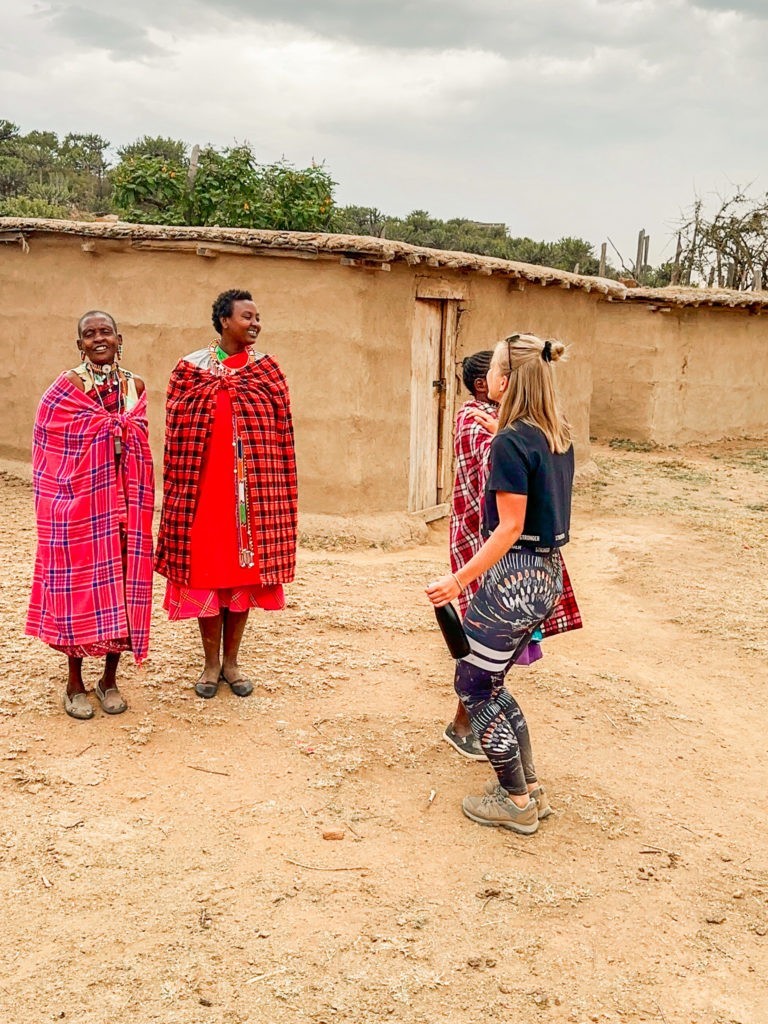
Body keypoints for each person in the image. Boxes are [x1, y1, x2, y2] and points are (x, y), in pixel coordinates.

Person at [426, 333, 574, 835]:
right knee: (492, 681)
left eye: (492, 368)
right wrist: (501, 433)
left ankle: (514, 801)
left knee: (472, 684)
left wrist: (458, 579)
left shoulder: (512, 441)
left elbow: (509, 526)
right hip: (546, 574)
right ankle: (529, 789)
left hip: (513, 579)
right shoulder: (554, 435)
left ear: (505, 382)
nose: (484, 374)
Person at [155, 289, 297, 699]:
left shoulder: (267, 371)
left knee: (242, 578)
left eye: (258, 318)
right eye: (247, 317)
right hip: (204, 492)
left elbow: (279, 434)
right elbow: (177, 428)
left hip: (251, 498)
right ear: (223, 321)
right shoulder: (189, 369)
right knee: (207, 573)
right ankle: (209, 664)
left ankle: (232, 662)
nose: (255, 324)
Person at [26, 311, 155, 720]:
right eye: (89, 334)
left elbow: (141, 442)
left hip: (124, 507)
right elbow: (47, 449)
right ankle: (75, 683)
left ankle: (110, 680)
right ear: (79, 343)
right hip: (80, 509)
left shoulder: (134, 386)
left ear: (120, 338)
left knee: (122, 587)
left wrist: (118, 435)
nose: (98, 339)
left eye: (105, 332)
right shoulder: (65, 389)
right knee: (80, 592)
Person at [443, 350, 543, 760]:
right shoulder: (476, 421)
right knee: (484, 644)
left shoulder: (504, 424)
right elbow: (505, 478)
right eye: (506, 371)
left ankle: (472, 722)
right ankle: (464, 726)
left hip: (498, 543)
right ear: (486, 385)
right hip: (481, 543)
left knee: (494, 643)